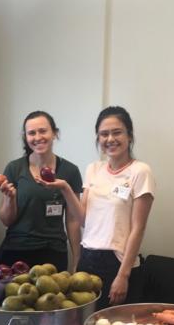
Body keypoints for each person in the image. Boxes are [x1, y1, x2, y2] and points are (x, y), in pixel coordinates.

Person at [38, 106, 155, 309]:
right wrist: (65, 188)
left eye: (117, 132)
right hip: (88, 257)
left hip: (118, 261)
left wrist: (123, 275)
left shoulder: (140, 171)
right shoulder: (93, 169)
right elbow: (85, 220)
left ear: (129, 135)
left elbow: (139, 228)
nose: (110, 139)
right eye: (104, 134)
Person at [0, 110, 83, 273]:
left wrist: (78, 259)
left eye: (43, 131)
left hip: (53, 252)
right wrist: (10, 198)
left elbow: (73, 220)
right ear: (26, 137)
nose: (37, 137)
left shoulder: (70, 171)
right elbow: (6, 221)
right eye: (31, 133)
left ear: (54, 133)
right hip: (16, 250)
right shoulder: (14, 168)